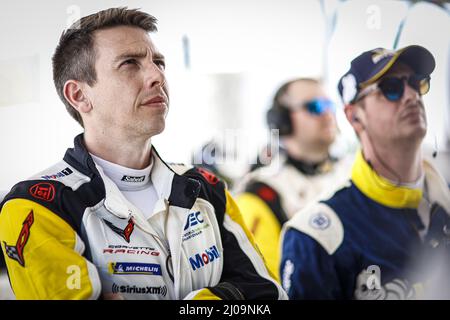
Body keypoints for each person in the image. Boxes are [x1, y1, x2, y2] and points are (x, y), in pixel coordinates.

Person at [0, 7, 286, 300]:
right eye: (129, 64)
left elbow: (268, 294)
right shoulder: (36, 205)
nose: (157, 76)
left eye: (158, 62)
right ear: (79, 96)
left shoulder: (206, 188)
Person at [280, 45, 450, 299]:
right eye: (391, 88)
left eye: (417, 83)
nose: (411, 96)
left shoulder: (444, 197)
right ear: (355, 117)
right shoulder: (316, 237)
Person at [235, 78, 353, 280]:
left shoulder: (355, 172)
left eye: (329, 105)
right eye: (314, 107)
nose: (327, 114)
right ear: (282, 121)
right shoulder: (262, 193)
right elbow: (267, 285)